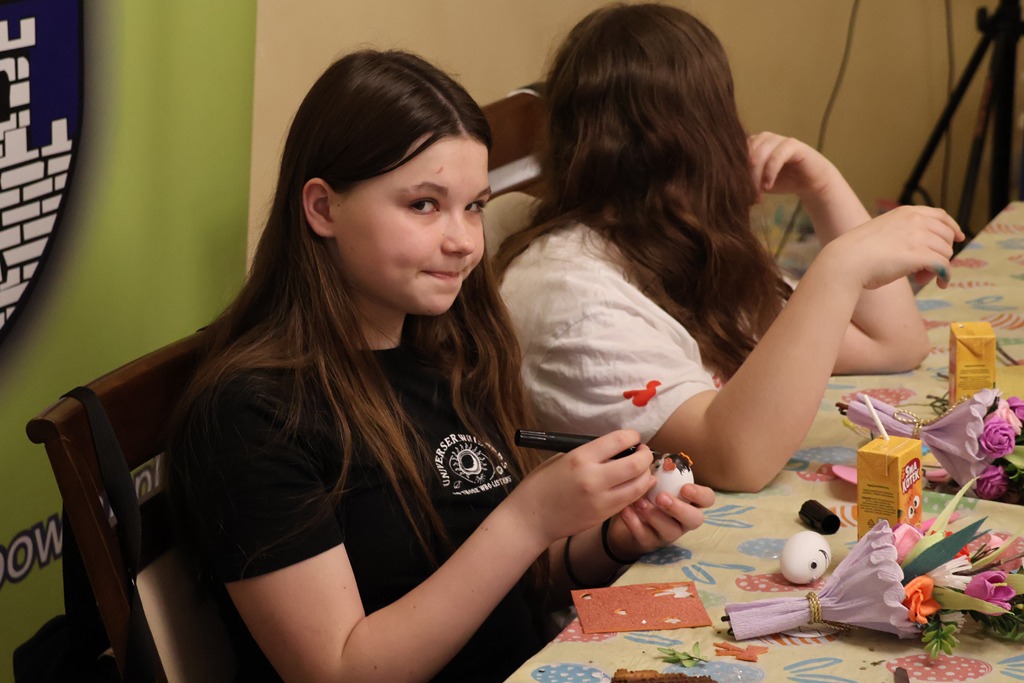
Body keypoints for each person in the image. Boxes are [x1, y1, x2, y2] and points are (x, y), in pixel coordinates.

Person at [168, 49, 714, 683]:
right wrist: (528, 519)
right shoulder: (253, 414)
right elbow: (341, 671)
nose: (463, 242)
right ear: (322, 209)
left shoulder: (451, 353)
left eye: (474, 205)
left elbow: (497, 583)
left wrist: (612, 539)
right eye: (424, 205)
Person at [495, 3, 964, 494]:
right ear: (705, 138)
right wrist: (840, 266)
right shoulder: (572, 297)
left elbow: (894, 344)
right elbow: (736, 460)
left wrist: (823, 186)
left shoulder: (670, 238)